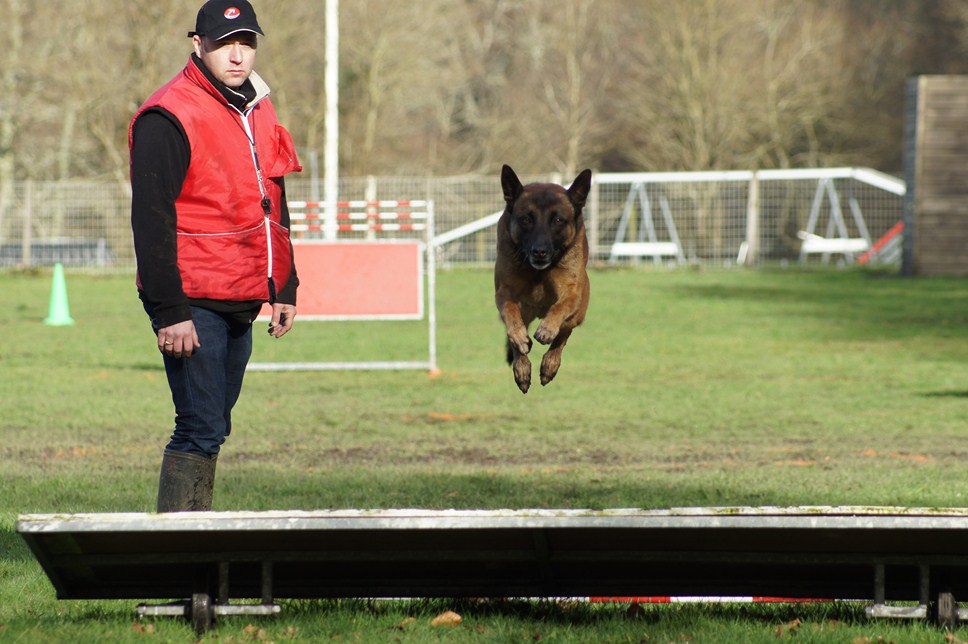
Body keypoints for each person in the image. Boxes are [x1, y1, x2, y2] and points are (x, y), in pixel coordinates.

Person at [129, 0, 301, 512]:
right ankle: (179, 557)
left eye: (246, 43)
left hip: (242, 294)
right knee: (200, 427)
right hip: (191, 295)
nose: (237, 55)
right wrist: (171, 312)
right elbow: (151, 218)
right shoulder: (168, 114)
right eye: (224, 43)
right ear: (197, 45)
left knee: (214, 425)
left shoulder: (258, 106)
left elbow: (274, 197)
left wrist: (285, 287)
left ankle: (190, 540)